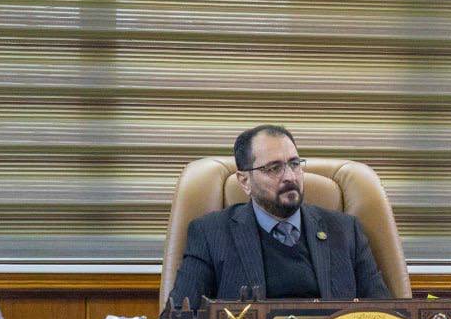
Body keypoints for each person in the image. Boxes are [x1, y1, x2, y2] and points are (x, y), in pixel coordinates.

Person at [165, 124, 391, 307]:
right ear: (245, 181)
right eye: (274, 168)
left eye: (294, 164)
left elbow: (386, 317)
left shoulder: (345, 231)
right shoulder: (210, 234)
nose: (290, 176)